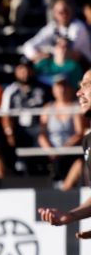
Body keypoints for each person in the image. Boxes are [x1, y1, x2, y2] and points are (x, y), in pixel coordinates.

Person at [37, 71, 91, 234]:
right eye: (80, 86)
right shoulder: (88, 140)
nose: (78, 92)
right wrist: (70, 216)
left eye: (87, 84)